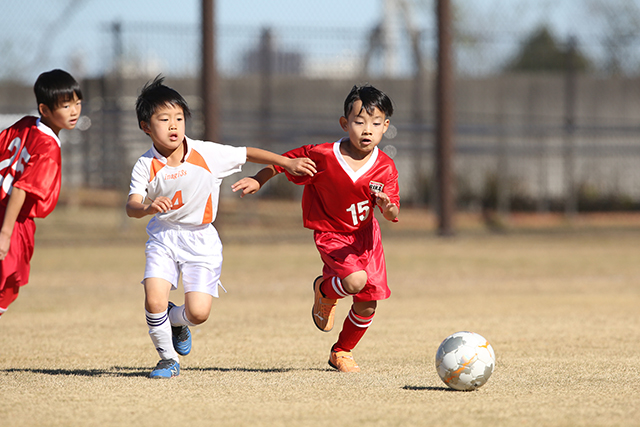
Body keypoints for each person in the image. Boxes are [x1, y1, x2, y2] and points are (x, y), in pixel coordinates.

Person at [126, 76, 316, 379]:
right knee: (153, 298)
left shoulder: (206, 153)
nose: (174, 125)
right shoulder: (144, 165)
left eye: (178, 118)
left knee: (198, 313)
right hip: (163, 236)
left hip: (202, 240)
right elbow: (132, 206)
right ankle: (167, 360)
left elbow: (247, 152)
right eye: (164, 119)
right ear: (145, 126)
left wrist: (286, 163)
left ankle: (177, 321)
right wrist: (148, 208)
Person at [232, 84, 399, 372]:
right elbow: (283, 163)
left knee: (368, 304)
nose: (367, 130)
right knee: (354, 282)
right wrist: (260, 179)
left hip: (367, 239)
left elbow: (394, 209)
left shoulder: (386, 166)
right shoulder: (323, 155)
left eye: (375, 123)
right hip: (332, 234)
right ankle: (324, 289)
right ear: (345, 124)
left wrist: (386, 206)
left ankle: (341, 351)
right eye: (359, 122)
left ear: (386, 126)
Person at [0, 69, 83, 318]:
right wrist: (6, 233)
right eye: (66, 105)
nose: (74, 111)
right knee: (7, 286)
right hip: (12, 220)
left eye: (77, 103)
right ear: (45, 110)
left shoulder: (26, 125)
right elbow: (22, 188)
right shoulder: (48, 147)